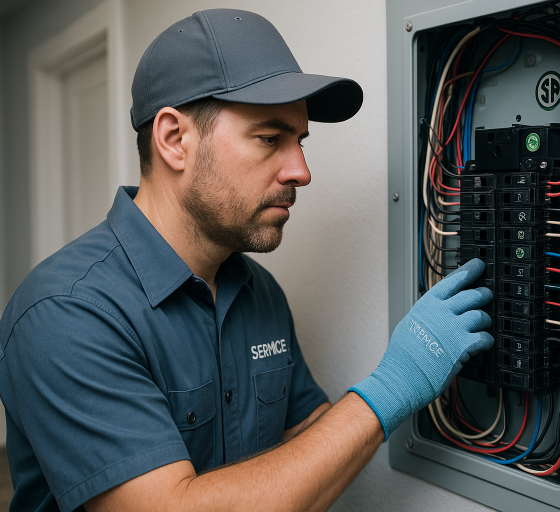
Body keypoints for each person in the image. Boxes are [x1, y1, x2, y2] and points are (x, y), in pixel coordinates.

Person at [0, 9, 493, 512]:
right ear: (174, 140)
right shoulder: (66, 313)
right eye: (269, 139)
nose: (301, 171)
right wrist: (393, 386)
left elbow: (311, 440)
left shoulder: (258, 291)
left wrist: (407, 377)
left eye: (299, 142)